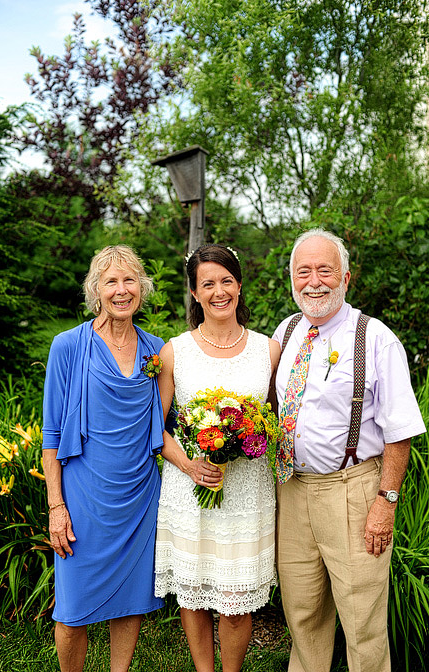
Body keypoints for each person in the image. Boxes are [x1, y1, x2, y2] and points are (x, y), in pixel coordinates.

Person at [272, 228, 426, 672]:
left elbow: (400, 431)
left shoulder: (376, 338)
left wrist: (386, 501)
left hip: (353, 491)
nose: (314, 281)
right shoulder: (286, 332)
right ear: (292, 280)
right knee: (302, 613)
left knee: (362, 621)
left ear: (346, 277)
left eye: (325, 270)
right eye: (304, 271)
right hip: (293, 490)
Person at [154, 244, 281, 672]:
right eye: (207, 283)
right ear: (194, 292)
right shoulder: (174, 352)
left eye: (226, 280)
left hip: (247, 495)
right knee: (193, 591)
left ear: (240, 287)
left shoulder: (269, 350)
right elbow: (157, 428)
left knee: (235, 599)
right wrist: (191, 465)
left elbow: (279, 420)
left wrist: (252, 437)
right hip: (190, 489)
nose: (219, 291)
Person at [42, 245, 165, 672]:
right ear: (96, 290)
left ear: (142, 288)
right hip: (83, 498)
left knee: (129, 601)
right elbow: (52, 436)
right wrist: (57, 507)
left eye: (129, 280)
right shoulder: (68, 347)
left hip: (139, 495)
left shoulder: (156, 351)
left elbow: (168, 424)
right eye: (110, 281)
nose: (121, 290)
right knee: (72, 610)